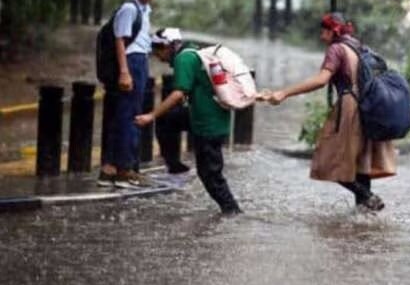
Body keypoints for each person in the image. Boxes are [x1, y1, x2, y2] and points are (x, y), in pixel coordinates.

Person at [259, 12, 396, 212]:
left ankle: (368, 197)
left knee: (328, 161)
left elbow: (321, 80)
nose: (321, 36)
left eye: (324, 31)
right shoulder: (357, 46)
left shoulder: (336, 49)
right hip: (369, 107)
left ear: (334, 31)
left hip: (350, 108)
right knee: (361, 163)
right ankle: (365, 218)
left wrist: (284, 93)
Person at [134, 31, 243, 215]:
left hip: (207, 123)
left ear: (168, 47)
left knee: (209, 174)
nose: (158, 57)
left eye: (157, 52)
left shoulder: (183, 59)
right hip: (206, 116)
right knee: (167, 119)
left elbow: (178, 94)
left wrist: (150, 115)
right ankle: (175, 167)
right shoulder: (193, 51)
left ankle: (232, 212)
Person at [97, 0, 158, 189]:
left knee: (125, 114)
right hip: (131, 62)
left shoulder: (144, 10)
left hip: (140, 61)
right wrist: (124, 71)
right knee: (127, 117)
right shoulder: (129, 9)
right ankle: (123, 170)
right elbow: (119, 41)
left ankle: (111, 169)